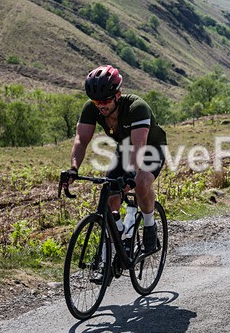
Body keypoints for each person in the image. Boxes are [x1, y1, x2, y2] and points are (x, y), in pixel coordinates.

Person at [62, 65, 167, 256]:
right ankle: (120, 232)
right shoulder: (91, 109)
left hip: (151, 148)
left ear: (118, 95)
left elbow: (139, 145)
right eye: (96, 101)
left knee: (141, 183)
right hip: (125, 149)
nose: (101, 105)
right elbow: (81, 140)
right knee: (110, 195)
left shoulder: (137, 107)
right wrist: (73, 169)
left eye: (105, 100)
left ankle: (150, 227)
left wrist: (131, 174)